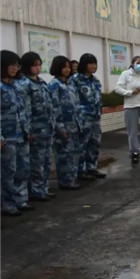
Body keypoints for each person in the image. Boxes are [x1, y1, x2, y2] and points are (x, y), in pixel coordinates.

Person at [19, 52, 56, 201]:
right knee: (36, 162)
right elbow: (25, 109)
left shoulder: (41, 83)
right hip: (35, 129)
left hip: (47, 128)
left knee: (46, 161)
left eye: (40, 65)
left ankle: (43, 188)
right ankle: (35, 189)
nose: (38, 68)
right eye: (34, 65)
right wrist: (28, 130)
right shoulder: (24, 84)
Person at [1, 50, 32, 216]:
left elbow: (23, 110)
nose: (14, 68)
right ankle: (7, 204)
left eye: (17, 65)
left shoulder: (16, 86)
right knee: (7, 172)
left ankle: (21, 200)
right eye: (11, 65)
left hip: (21, 135)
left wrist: (28, 130)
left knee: (22, 169)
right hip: (7, 138)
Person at [48, 56, 84, 190]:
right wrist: (60, 128)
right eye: (64, 67)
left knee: (74, 154)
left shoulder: (70, 84)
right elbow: (54, 108)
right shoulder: (54, 85)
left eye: (68, 67)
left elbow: (77, 105)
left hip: (74, 125)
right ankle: (65, 181)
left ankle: (72, 179)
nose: (67, 70)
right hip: (63, 126)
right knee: (64, 155)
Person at [72, 53, 106, 179]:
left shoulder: (95, 80)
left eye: (94, 63)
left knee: (94, 143)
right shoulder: (75, 80)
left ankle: (92, 167)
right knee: (82, 145)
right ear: (84, 65)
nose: (93, 66)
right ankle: (80, 170)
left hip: (95, 117)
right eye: (90, 63)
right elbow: (73, 99)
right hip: (83, 118)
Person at [115, 55, 140, 163]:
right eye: (137, 63)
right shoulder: (126, 74)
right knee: (132, 131)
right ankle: (134, 152)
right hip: (131, 105)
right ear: (132, 64)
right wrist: (130, 93)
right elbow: (118, 88)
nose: (139, 65)